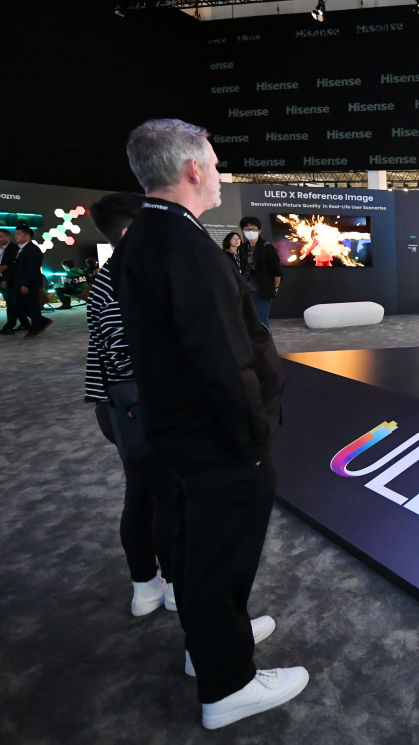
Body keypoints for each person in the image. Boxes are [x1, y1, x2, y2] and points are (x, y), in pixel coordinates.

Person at [114, 118, 307, 730]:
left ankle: (213, 643)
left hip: (179, 428)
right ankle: (229, 684)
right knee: (220, 555)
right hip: (218, 437)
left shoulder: (145, 235)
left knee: (200, 548)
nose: (221, 174)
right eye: (217, 163)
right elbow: (224, 360)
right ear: (193, 168)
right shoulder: (187, 247)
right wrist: (253, 441)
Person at [85, 192, 180, 615]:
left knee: (140, 495)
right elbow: (128, 353)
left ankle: (145, 586)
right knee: (168, 499)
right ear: (130, 232)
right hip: (144, 407)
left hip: (121, 408)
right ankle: (177, 585)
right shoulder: (127, 278)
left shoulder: (109, 276)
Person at [3, 225, 51, 339]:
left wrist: (26, 284)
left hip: (29, 283)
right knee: (18, 304)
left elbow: (32, 268)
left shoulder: (33, 249)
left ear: (27, 235)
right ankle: (42, 322)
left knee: (32, 306)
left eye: (18, 233)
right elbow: (14, 267)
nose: (15, 236)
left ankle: (36, 327)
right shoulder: (20, 249)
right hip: (19, 283)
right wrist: (6, 279)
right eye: (15, 233)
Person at [237, 216, 282, 329]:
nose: (250, 231)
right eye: (247, 229)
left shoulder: (267, 247)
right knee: (247, 320)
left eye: (253, 229)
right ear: (242, 230)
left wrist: (275, 287)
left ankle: (265, 340)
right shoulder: (242, 248)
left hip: (263, 288)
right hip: (247, 289)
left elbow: (277, 270)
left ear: (259, 230)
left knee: (261, 320)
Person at [0, 229, 29, 333]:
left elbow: (15, 265)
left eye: (1, 236)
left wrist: (6, 272)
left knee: (12, 303)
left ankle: (10, 325)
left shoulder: (14, 249)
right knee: (13, 303)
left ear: (8, 237)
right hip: (2, 279)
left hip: (12, 279)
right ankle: (25, 324)